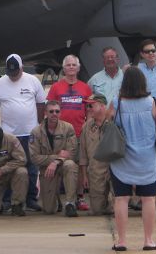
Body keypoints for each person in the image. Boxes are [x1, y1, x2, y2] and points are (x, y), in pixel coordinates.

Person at [109, 66, 156, 251]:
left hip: (122, 159)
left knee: (121, 199)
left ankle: (121, 241)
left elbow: (105, 122)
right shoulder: (151, 102)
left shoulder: (117, 102)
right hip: (147, 160)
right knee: (148, 199)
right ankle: (148, 240)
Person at [0, 53, 46, 212]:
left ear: (21, 67)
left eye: (16, 72)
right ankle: (8, 199)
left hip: (30, 133)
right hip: (8, 136)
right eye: (10, 72)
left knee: (31, 167)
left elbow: (41, 104)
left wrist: (39, 124)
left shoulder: (33, 81)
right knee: (7, 167)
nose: (13, 75)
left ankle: (31, 199)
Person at [47, 54, 92, 210]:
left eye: (74, 65)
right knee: (61, 164)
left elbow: (89, 110)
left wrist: (87, 128)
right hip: (60, 134)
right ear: (64, 68)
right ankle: (59, 198)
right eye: (68, 65)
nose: (71, 68)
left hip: (79, 132)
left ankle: (79, 197)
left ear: (78, 68)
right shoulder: (56, 87)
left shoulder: (85, 88)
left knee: (79, 165)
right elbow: (50, 109)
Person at [29, 100, 79, 216]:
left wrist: (56, 162)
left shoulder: (68, 128)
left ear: (60, 113)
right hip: (47, 170)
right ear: (45, 113)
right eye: (51, 111)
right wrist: (57, 157)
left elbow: (72, 152)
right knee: (49, 210)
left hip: (63, 165)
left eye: (57, 111)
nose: (54, 114)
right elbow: (35, 158)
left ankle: (70, 203)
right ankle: (56, 200)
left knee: (70, 165)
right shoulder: (36, 132)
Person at [79, 94, 113, 215]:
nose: (88, 108)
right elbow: (82, 154)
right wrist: (84, 176)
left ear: (103, 106)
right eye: (87, 106)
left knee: (116, 207)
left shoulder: (114, 122)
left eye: (91, 105)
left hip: (114, 169)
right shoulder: (87, 126)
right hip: (96, 171)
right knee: (97, 210)